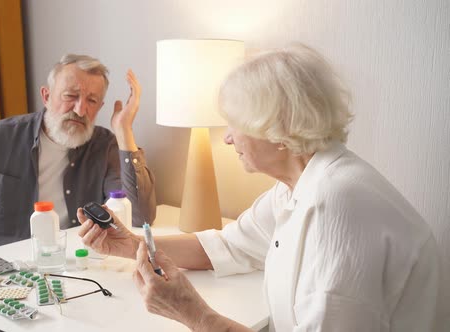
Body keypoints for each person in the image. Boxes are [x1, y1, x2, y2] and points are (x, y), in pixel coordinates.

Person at [77, 44, 446, 331]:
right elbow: (226, 246)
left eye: (234, 124)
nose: (228, 139)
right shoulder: (302, 184)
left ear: (279, 130)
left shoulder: (338, 209)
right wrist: (132, 246)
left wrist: (194, 314)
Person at [0, 54, 156, 262]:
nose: (80, 110)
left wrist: (124, 132)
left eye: (91, 100)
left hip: (73, 266)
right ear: (46, 96)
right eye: (71, 96)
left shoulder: (104, 145)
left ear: (100, 107)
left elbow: (139, 219)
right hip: (0, 270)